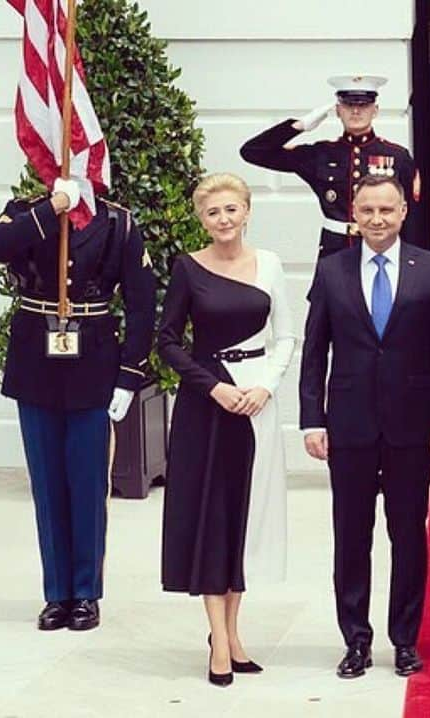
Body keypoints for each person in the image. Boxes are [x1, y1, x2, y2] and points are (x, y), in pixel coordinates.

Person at [299, 174, 430, 679]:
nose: (377, 219)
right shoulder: (331, 271)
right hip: (348, 425)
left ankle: (405, 639)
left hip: (411, 427)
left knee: (408, 535)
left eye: (386, 211)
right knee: (351, 536)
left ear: (402, 213)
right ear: (355, 212)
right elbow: (314, 352)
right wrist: (311, 420)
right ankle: (355, 639)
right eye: (368, 210)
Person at [0, 178, 155, 632]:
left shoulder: (117, 222)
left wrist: (129, 376)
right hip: (36, 360)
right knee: (47, 484)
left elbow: (141, 304)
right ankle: (56, 593)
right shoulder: (26, 211)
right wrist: (54, 206)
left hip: (93, 362)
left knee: (86, 483)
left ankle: (85, 593)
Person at [158, 173, 297, 686]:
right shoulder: (187, 268)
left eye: (231, 210)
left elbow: (285, 335)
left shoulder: (271, 266)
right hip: (208, 405)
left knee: (243, 520)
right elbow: (168, 341)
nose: (223, 220)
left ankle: (233, 634)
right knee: (212, 519)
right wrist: (211, 386)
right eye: (213, 212)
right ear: (201, 218)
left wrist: (266, 386)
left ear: (247, 212)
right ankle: (217, 639)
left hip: (256, 402)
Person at [240, 74, 427, 258]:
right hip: (335, 251)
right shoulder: (321, 154)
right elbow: (253, 152)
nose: (356, 111)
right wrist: (298, 126)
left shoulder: (396, 156)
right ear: (338, 110)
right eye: (348, 104)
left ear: (375, 110)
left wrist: (409, 261)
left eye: (363, 104)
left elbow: (411, 215)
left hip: (383, 250)